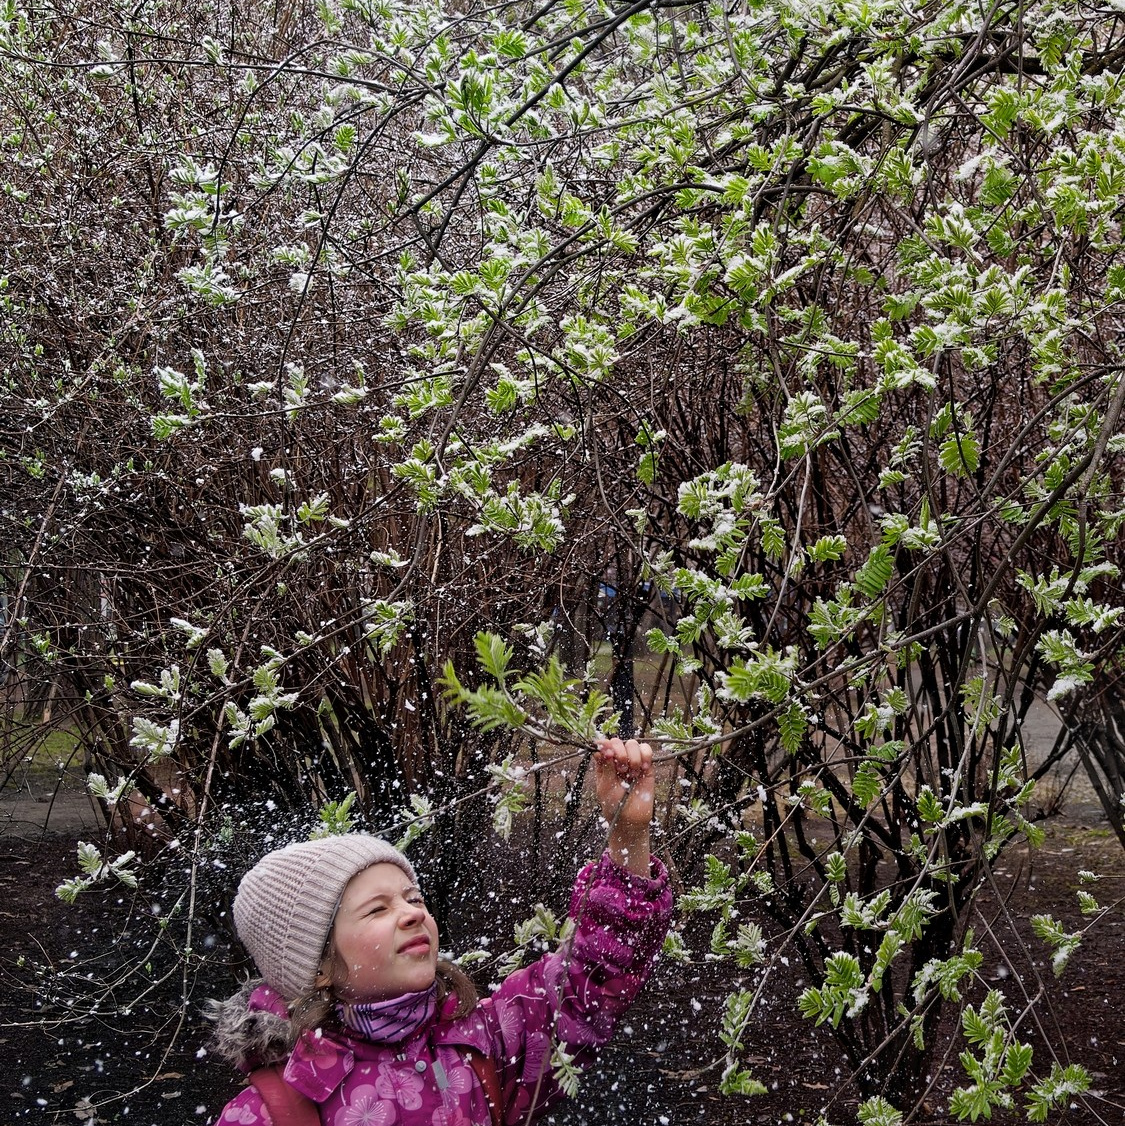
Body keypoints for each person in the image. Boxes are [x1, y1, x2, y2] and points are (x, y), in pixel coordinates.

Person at [209, 737, 672, 1126]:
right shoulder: (277, 1110)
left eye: (414, 899)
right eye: (377, 909)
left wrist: (628, 838)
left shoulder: (484, 1042)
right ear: (318, 967)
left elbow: (590, 980)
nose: (411, 914)